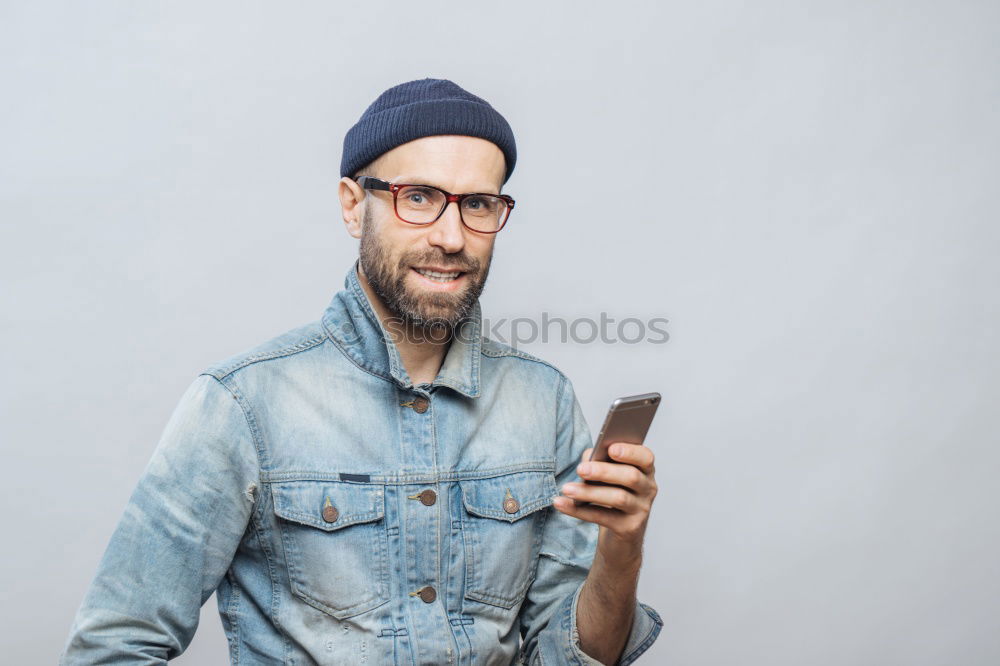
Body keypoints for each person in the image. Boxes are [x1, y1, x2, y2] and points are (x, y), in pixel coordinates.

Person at [61, 78, 663, 665]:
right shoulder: (243, 403)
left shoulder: (544, 399)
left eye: (478, 204)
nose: (452, 237)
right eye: (419, 197)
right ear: (354, 206)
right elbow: (113, 648)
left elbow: (570, 658)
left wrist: (621, 547)